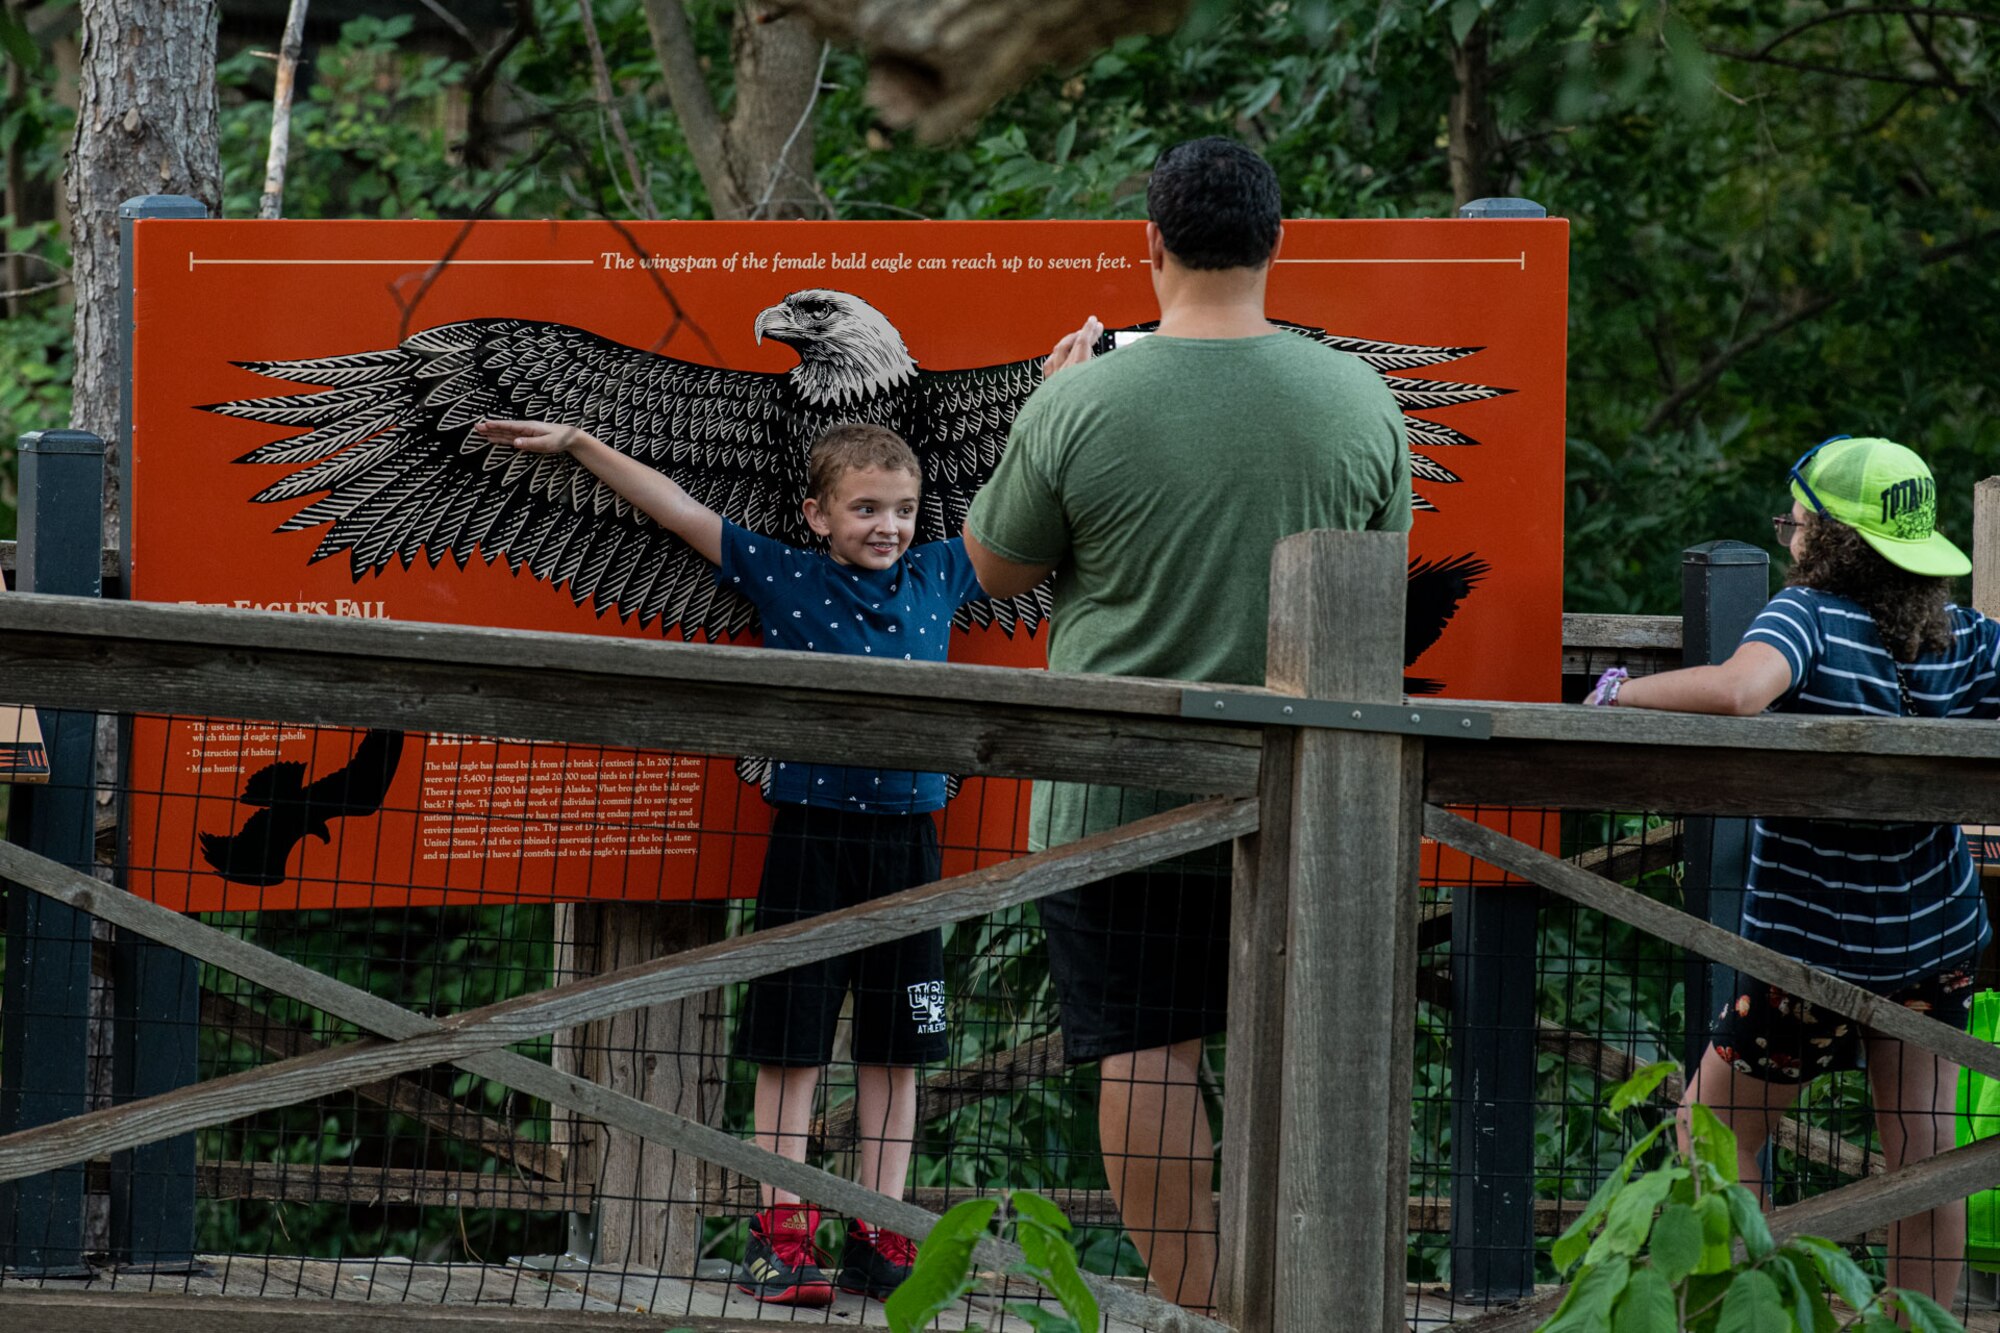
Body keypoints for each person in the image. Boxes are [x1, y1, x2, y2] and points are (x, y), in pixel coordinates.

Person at [961, 136, 1411, 1312]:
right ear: (1278, 243)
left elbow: (997, 567)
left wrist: (1046, 406)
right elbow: (1385, 583)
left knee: (1144, 1053)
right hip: (1313, 790)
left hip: (1116, 792)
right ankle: (1297, 1299)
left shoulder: (1084, 397)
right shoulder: (1359, 398)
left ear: (1147, 244)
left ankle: (1197, 1305)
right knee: (1296, 1055)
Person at [474, 417, 986, 1306]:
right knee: (789, 1046)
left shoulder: (941, 571)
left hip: (910, 843)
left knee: (897, 1049)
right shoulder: (786, 574)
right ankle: (782, 1232)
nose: (887, 526)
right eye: (865, 507)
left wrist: (1061, 391)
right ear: (817, 515)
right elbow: (676, 509)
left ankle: (880, 1228)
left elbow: (1017, 491)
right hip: (810, 836)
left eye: (901, 509)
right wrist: (581, 445)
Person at [1584, 435, 2000, 1307]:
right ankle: (1910, 1329)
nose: (1791, 538)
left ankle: (1755, 1316)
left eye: (1797, 521)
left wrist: (1620, 692)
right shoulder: (1959, 636)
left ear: (1831, 536)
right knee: (1924, 1154)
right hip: (1933, 943)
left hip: (1808, 953)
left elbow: (1740, 690)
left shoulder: (1805, 616)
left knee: (1713, 1132)